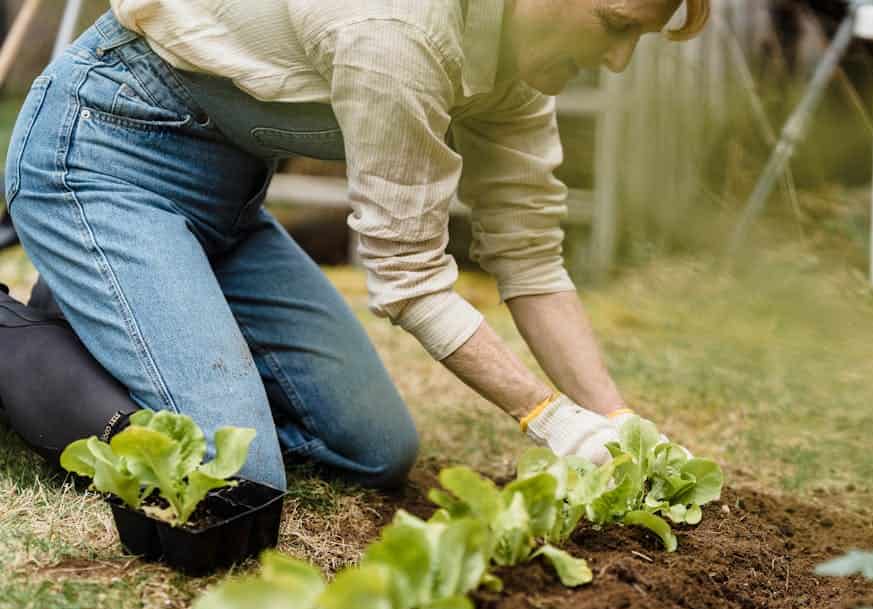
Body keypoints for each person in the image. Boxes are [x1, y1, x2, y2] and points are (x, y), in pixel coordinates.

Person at [3, 0, 709, 492]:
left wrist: (616, 424)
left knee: (371, 450)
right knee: (234, 473)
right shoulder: (398, 27)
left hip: (227, 204)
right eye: (615, 26)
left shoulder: (512, 69)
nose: (616, 61)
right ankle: (22, 332)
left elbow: (528, 257)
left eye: (636, 39)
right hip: (101, 157)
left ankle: (98, 304)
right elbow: (408, 281)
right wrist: (551, 419)